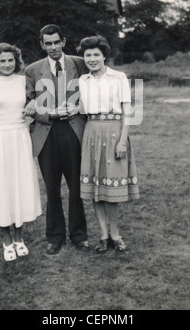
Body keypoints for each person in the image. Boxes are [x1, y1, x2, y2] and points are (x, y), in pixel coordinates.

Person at [24, 24, 89, 255]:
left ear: (64, 41)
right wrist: (50, 113)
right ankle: (54, 236)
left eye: (56, 42)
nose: (53, 47)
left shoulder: (80, 63)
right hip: (46, 133)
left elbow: (94, 91)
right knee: (52, 188)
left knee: (76, 186)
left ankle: (79, 235)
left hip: (74, 130)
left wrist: (78, 107)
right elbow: (27, 105)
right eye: (48, 43)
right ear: (42, 45)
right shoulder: (32, 70)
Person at [0, 43, 42, 262]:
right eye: (2, 60)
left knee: (20, 186)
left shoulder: (25, 82)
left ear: (17, 61)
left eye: (11, 60)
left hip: (20, 137)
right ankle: (6, 241)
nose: (7, 64)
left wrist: (33, 104)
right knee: (1, 189)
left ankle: (19, 239)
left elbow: (40, 105)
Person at [77, 35, 139, 253]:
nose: (92, 59)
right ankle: (103, 236)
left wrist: (122, 140)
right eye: (88, 55)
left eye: (96, 54)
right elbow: (77, 111)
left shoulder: (118, 77)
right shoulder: (82, 81)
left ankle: (115, 234)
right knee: (96, 187)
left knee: (111, 188)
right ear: (83, 57)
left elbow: (127, 111)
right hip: (91, 132)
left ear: (104, 55)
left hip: (114, 133)